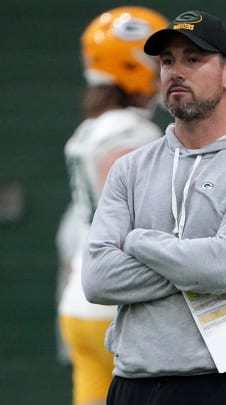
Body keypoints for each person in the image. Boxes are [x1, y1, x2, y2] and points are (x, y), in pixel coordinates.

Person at [81, 10, 226, 405]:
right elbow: (97, 280)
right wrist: (205, 268)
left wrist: (138, 241)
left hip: (224, 385)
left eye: (193, 60)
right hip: (133, 383)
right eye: (167, 61)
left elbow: (222, 267)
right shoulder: (131, 167)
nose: (176, 71)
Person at [56, 7, 168, 405]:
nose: (165, 69)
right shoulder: (131, 134)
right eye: (158, 59)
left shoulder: (88, 129)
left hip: (78, 305)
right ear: (131, 62)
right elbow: (142, 223)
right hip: (116, 307)